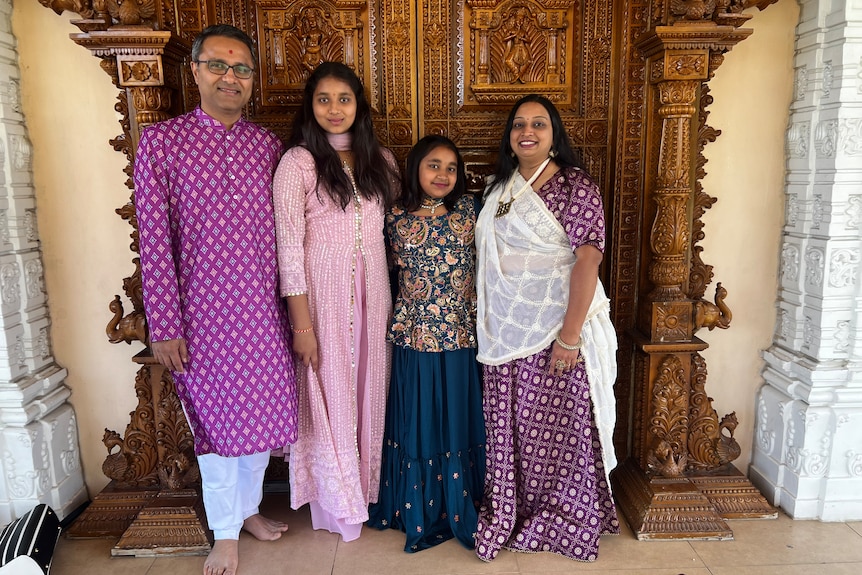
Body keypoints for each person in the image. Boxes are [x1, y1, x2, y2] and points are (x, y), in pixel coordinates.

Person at [134, 24, 297, 575]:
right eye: (219, 66)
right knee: (217, 426)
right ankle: (224, 531)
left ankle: (246, 510)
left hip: (261, 312)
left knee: (258, 421)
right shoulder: (163, 142)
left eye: (242, 68)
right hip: (200, 317)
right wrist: (165, 324)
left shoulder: (266, 147)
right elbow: (153, 240)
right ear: (196, 71)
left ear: (253, 79)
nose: (231, 77)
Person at [473, 94, 619, 562]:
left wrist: (569, 335)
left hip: (557, 328)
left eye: (538, 123)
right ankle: (510, 510)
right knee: (512, 428)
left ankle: (565, 518)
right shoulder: (501, 188)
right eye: (519, 124)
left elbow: (589, 258)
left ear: (555, 134)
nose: (527, 131)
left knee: (560, 427)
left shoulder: (576, 186)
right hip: (505, 330)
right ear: (509, 136)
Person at [273, 61, 400, 542]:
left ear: (358, 106)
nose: (333, 109)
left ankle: (366, 490)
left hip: (376, 296)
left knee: (370, 389)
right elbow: (288, 245)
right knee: (331, 392)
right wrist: (300, 325)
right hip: (322, 302)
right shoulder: (298, 163)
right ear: (311, 106)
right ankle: (335, 502)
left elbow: (395, 228)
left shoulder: (380, 161)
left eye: (343, 99)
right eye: (323, 99)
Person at [367, 136, 486, 552]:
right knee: (417, 420)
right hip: (414, 336)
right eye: (434, 165)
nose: (443, 175)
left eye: (451, 168)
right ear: (416, 167)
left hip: (459, 335)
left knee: (456, 417)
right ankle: (415, 504)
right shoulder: (393, 217)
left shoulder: (471, 210)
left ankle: (460, 500)